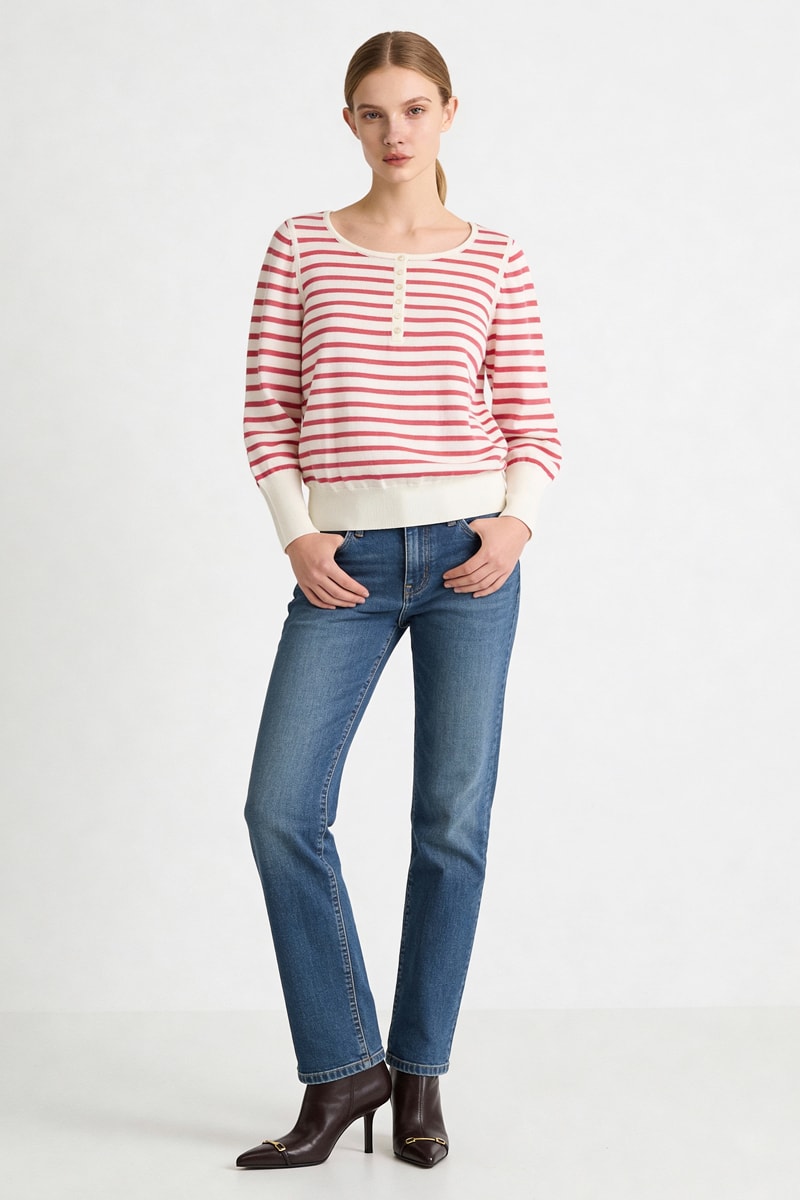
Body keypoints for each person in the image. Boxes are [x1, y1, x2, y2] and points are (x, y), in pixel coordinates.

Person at [236, 30, 561, 1171]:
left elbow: (532, 418)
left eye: (414, 109)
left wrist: (515, 523)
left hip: (474, 562)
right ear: (349, 122)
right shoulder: (299, 245)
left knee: (450, 824)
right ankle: (344, 1068)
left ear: (447, 113)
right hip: (345, 563)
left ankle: (419, 1076)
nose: (394, 132)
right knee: (281, 809)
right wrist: (297, 532)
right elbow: (267, 408)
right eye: (373, 112)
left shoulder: (497, 257)